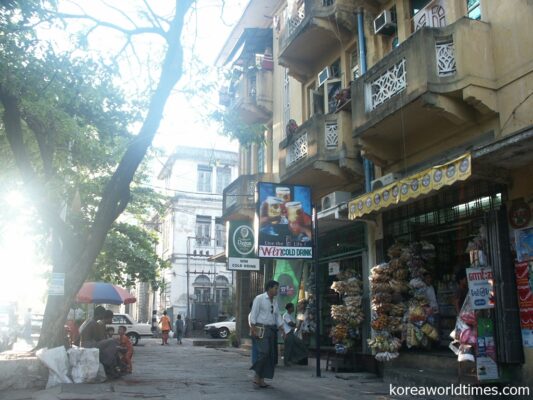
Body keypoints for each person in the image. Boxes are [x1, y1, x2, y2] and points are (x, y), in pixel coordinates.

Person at [249, 280, 284, 388]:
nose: (277, 290)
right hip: (261, 328)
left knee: (269, 356)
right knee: (264, 352)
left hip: (272, 329)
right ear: (269, 288)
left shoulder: (274, 301)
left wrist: (282, 327)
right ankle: (256, 375)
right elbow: (253, 313)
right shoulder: (259, 298)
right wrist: (253, 327)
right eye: (275, 288)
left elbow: (277, 315)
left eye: (277, 288)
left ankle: (261, 379)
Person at [248, 301, 258, 365]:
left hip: (254, 331)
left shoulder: (252, 313)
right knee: (255, 348)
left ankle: (255, 362)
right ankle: (255, 362)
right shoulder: (252, 314)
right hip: (255, 331)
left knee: (255, 347)